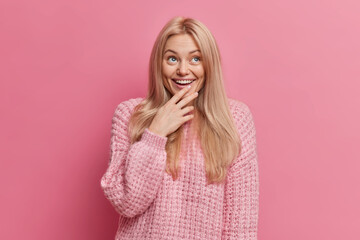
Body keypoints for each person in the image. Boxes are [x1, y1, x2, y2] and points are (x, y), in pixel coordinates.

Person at [100, 16, 259, 240]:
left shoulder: (235, 120)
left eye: (195, 59)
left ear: (209, 64)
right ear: (159, 63)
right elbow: (127, 202)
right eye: (172, 59)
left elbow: (241, 224)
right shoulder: (129, 115)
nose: (183, 70)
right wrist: (155, 133)